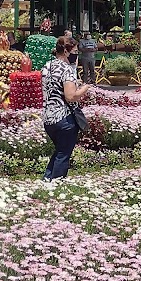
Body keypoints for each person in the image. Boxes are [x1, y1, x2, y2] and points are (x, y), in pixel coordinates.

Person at [41, 34, 91, 182]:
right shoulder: (67, 69)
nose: (76, 55)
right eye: (74, 52)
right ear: (66, 51)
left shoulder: (47, 66)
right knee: (63, 153)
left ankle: (47, 179)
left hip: (48, 117)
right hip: (64, 117)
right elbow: (70, 96)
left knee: (60, 150)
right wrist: (84, 89)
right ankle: (57, 183)